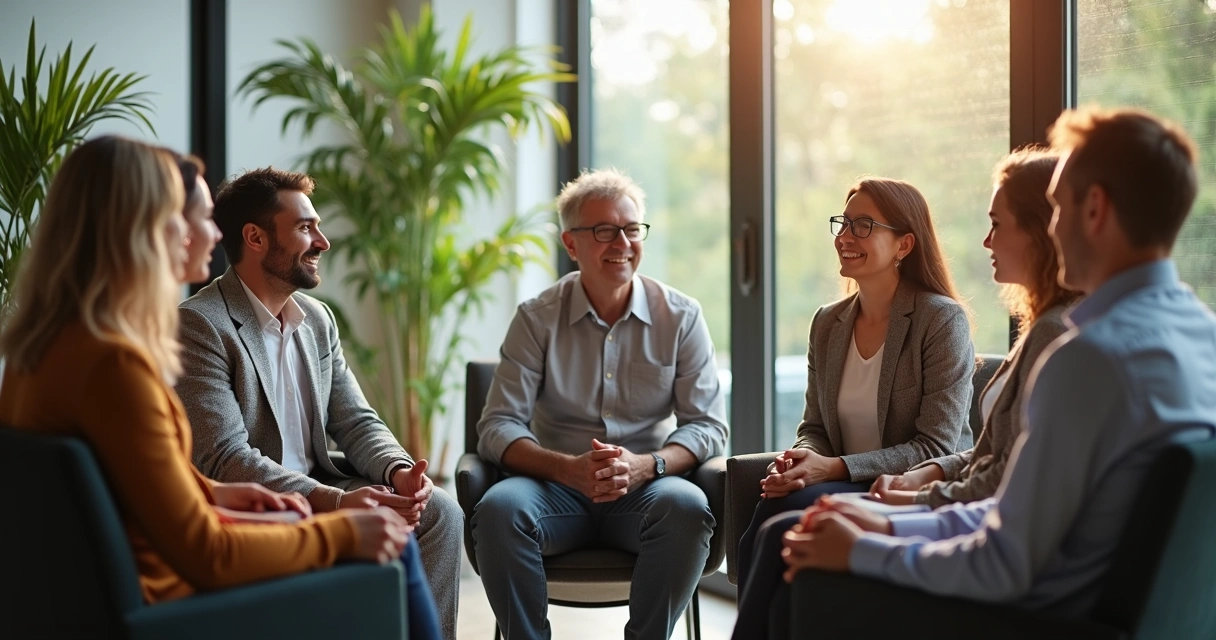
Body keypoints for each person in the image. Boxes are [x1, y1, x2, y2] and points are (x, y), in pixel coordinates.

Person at [773, 107, 1216, 635]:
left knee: (810, 569)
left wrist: (867, 550)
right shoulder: (1201, 335)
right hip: (1119, 609)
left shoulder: (1089, 361)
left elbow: (1003, 563)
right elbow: (1011, 509)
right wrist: (890, 519)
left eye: (1055, 208)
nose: (1052, 228)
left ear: (1094, 209)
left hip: (1033, 616)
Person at [0, 136, 441, 640]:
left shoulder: (41, 352)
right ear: (143, 226)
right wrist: (338, 529)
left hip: (131, 588)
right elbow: (208, 554)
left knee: (411, 520)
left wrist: (220, 493)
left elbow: (132, 470)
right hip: (175, 603)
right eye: (195, 216)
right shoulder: (116, 366)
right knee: (392, 541)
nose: (212, 233)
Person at [174, 167, 462, 640]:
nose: (323, 241)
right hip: (260, 504)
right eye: (306, 227)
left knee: (440, 515)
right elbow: (224, 459)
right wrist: (337, 502)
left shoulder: (316, 319)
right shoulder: (201, 326)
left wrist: (398, 472)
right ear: (256, 238)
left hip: (323, 482)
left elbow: (355, 420)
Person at [472, 168, 729, 639]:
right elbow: (499, 425)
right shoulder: (536, 318)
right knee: (498, 510)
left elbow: (708, 426)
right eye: (604, 231)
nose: (623, 243)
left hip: (645, 490)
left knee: (688, 506)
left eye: (632, 229)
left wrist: (646, 465)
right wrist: (568, 469)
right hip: (553, 492)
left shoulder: (682, 316)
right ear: (571, 245)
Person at [735, 177, 974, 585]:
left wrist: (833, 468)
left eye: (863, 225)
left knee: (782, 518)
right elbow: (813, 428)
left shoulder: (940, 319)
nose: (845, 236)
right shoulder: (828, 322)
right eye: (843, 223)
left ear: (904, 245)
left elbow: (936, 446)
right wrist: (802, 459)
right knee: (779, 506)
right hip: (840, 483)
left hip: (904, 492)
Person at [868, 147, 1082, 507]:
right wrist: (933, 471)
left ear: (1040, 231)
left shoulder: (1055, 332)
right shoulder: (1042, 325)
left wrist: (919, 498)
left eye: (996, 224)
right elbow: (997, 454)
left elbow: (1010, 478)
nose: (986, 241)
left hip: (985, 520)